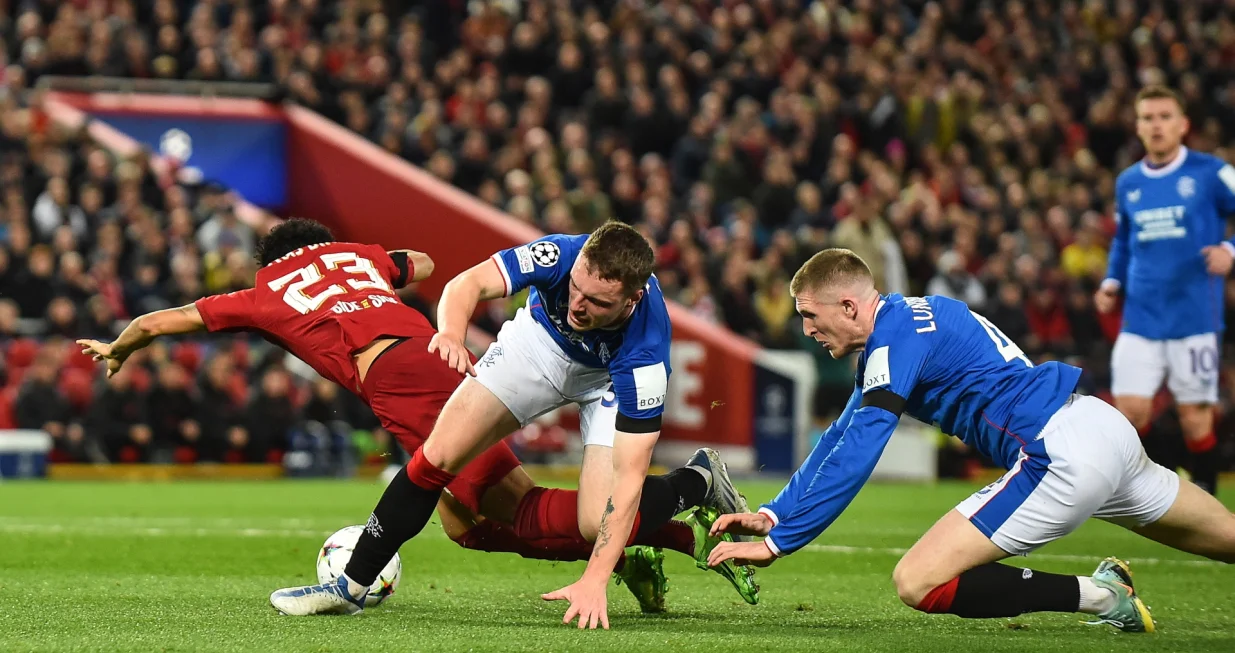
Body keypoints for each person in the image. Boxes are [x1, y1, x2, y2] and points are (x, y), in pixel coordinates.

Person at [78, 219, 757, 616]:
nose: (580, 298)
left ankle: (678, 502)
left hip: (426, 380)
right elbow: (433, 266)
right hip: (478, 354)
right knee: (465, 526)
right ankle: (650, 537)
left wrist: (122, 343)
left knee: (520, 510)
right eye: (577, 289)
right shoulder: (361, 258)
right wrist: (406, 298)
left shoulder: (264, 292)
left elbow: (173, 318)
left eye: (595, 297)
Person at [708, 248, 1235, 633]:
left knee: (917, 581)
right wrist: (777, 514)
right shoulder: (911, 320)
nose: (806, 330)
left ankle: (1100, 595)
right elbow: (841, 432)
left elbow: (864, 442)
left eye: (809, 315)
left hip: (1058, 454)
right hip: (1099, 426)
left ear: (848, 306)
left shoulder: (894, 342)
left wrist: (782, 542)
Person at [1094, 85, 1235, 495]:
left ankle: (1206, 491)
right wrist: (1111, 281)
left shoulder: (1211, 173)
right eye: (1147, 118)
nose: (1156, 125)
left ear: (1183, 124)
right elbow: (1123, 239)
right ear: (1137, 127)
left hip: (1194, 316)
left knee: (1194, 417)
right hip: (1140, 317)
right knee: (1131, 412)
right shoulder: (1129, 182)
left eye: (1164, 117)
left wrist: (1229, 248)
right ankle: (1155, 487)